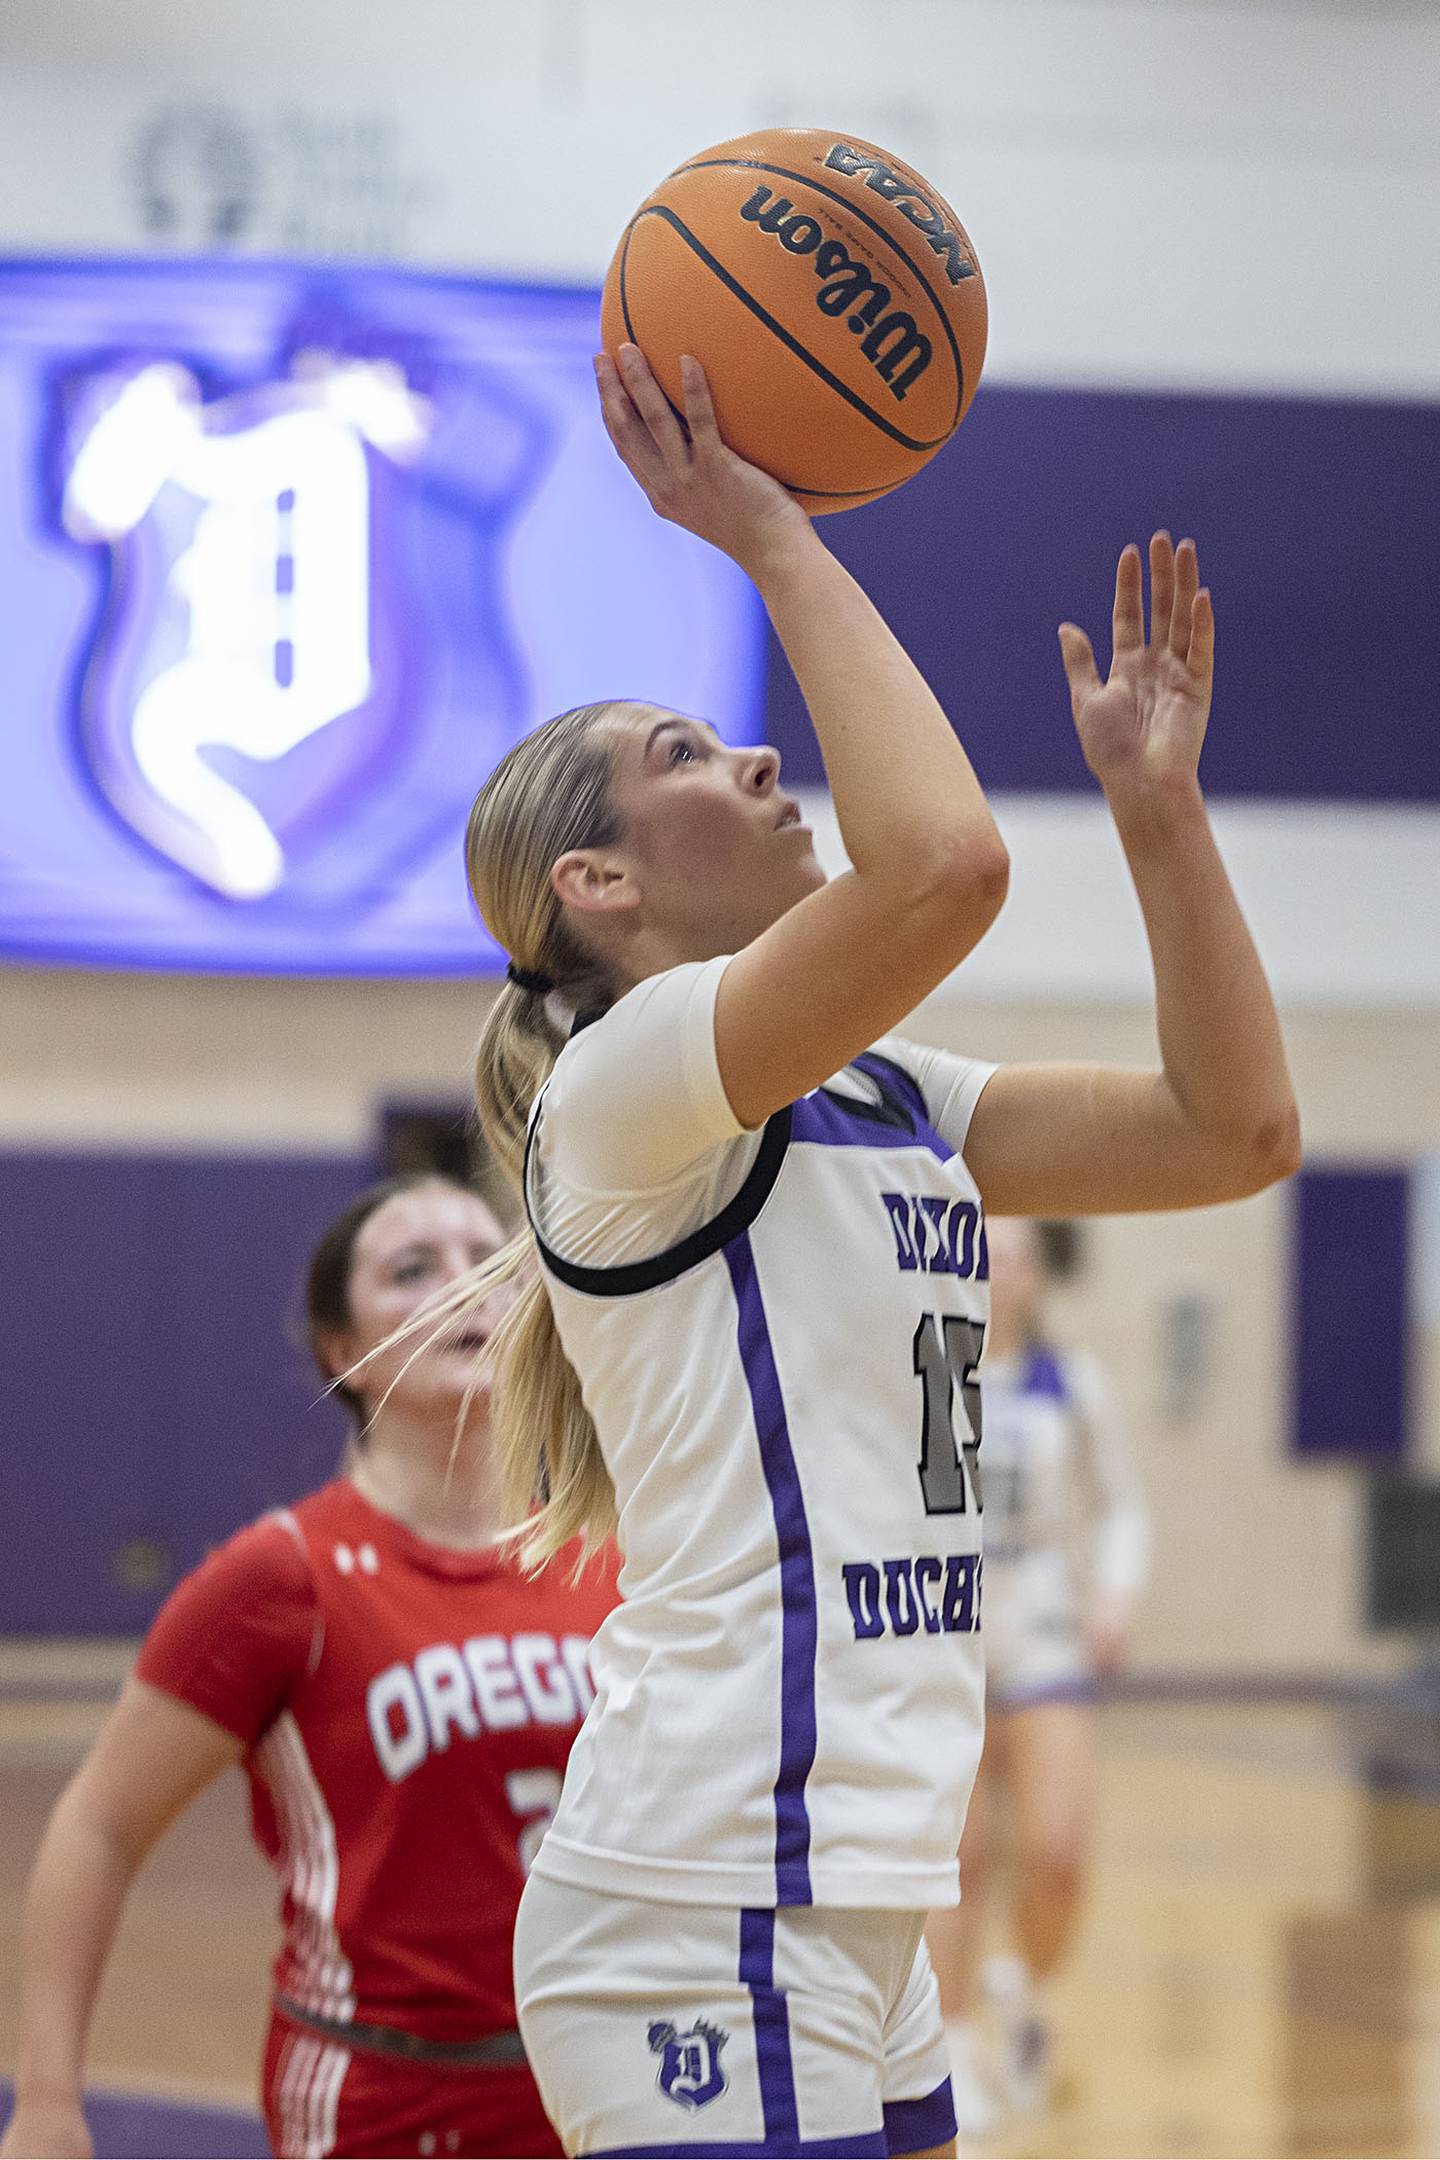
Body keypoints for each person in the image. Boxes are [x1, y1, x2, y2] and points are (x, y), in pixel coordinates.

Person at [420, 343, 1298, 2159]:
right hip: (703, 1900)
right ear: (601, 888)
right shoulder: (625, 1085)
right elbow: (945, 869)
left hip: (858, 1899)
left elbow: (1234, 1137)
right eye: (686, 754)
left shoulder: (886, 1089)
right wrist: (766, 527)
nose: (754, 752)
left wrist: (1162, 822)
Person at [1, 1174, 619, 2160]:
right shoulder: (281, 1579)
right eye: (412, 1271)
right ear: (345, 1352)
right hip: (387, 2097)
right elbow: (97, 1827)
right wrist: (46, 2101)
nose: (463, 1289)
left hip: (611, 2083)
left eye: (487, 1264)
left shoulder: (610, 1556)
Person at [927, 1218, 1150, 2132]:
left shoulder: (1073, 1383)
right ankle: (949, 2044)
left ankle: (1022, 1990)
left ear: (1036, 1277)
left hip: (1047, 1642)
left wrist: (1116, 1596)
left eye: (1012, 1254)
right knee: (959, 1862)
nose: (996, 1268)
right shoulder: (934, 1372)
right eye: (981, 1251)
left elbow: (1125, 1506)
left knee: (1058, 1854)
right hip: (947, 1649)